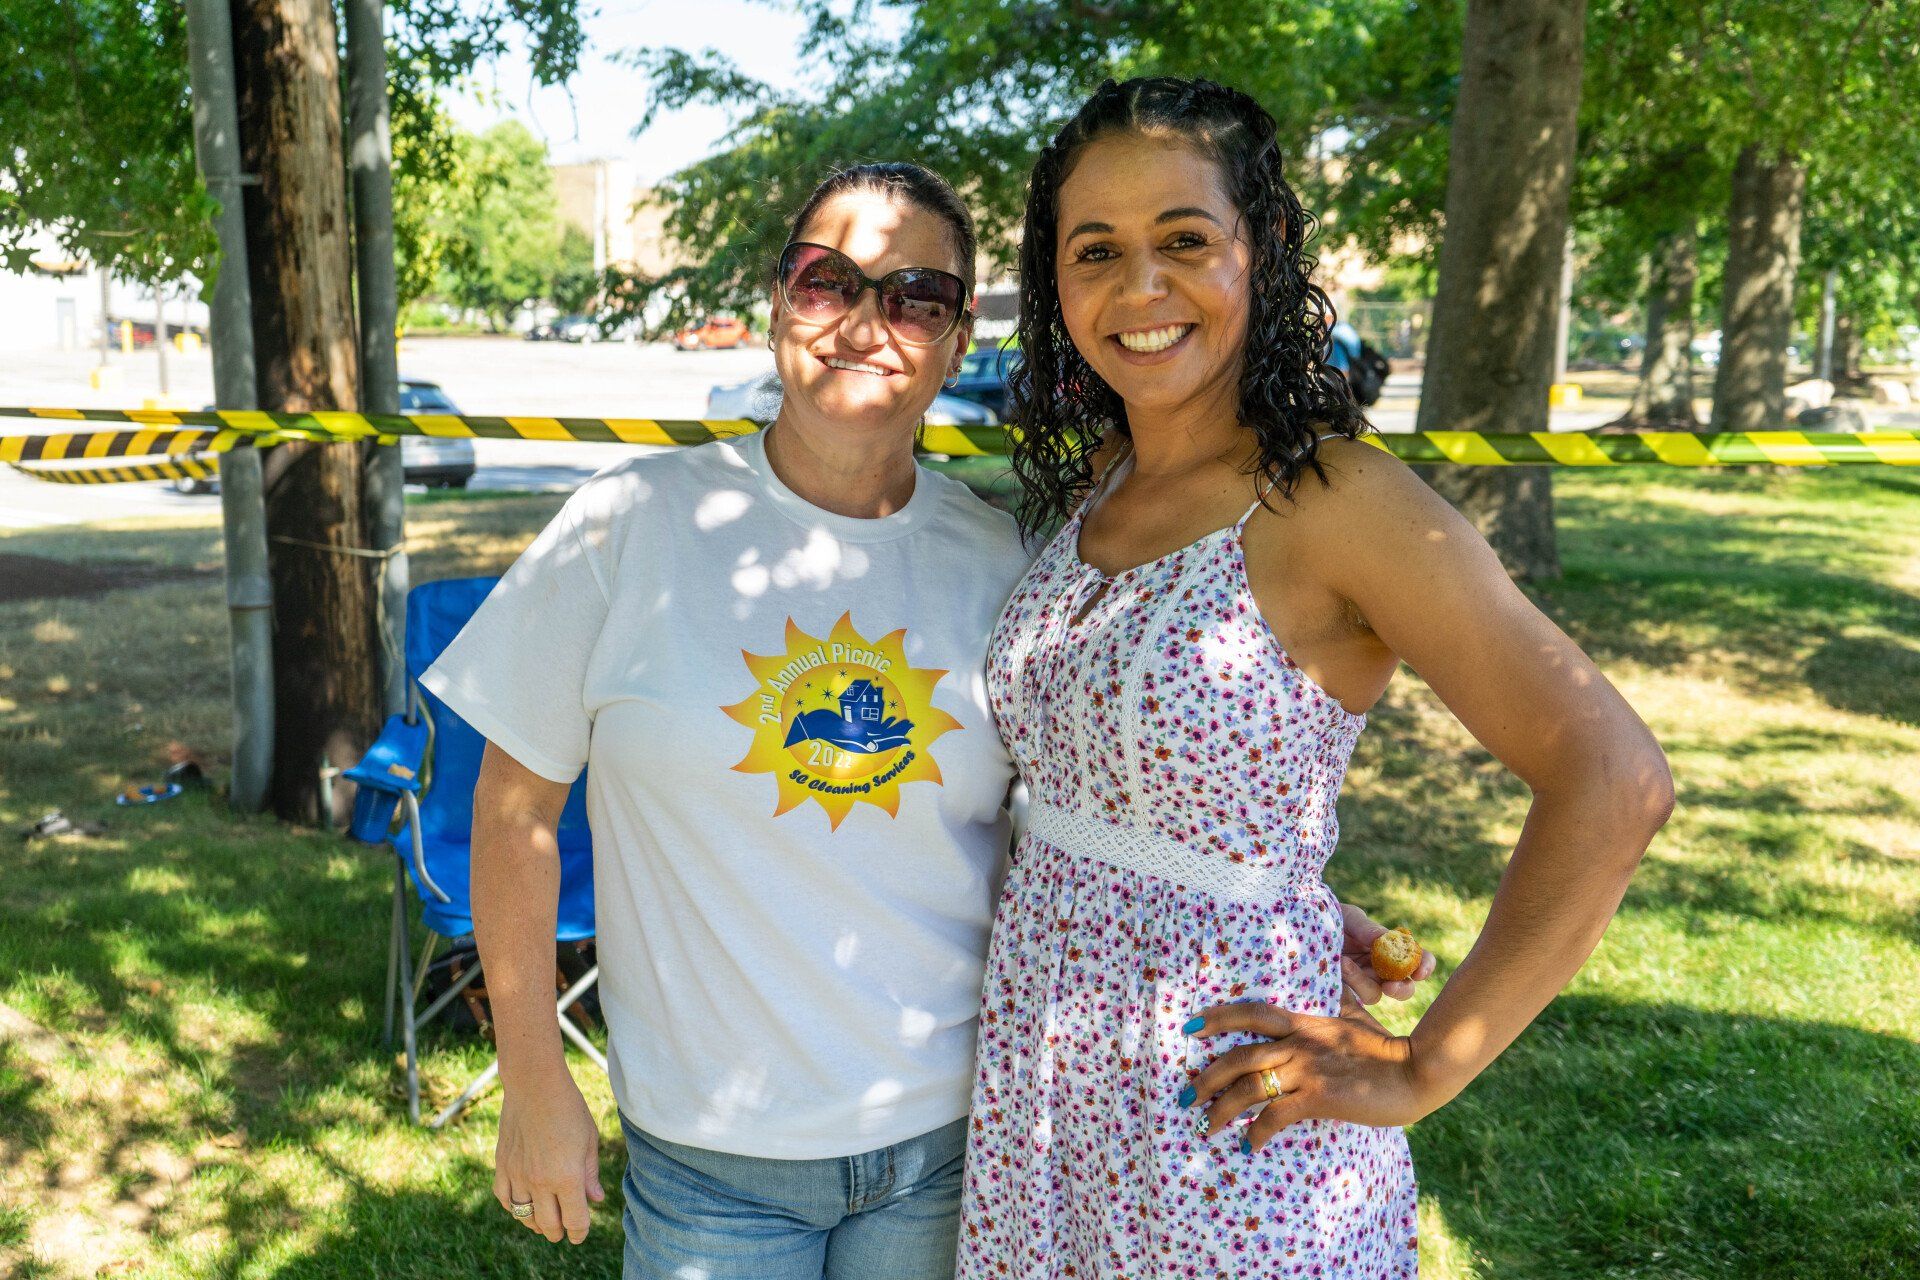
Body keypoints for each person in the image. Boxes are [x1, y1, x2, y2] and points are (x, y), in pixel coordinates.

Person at [421, 160, 1429, 1278]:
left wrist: (1273, 902)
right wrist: (531, 1073)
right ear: (776, 304)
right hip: (710, 1152)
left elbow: (1083, 790)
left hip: (956, 1135)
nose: (866, 321)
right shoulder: (628, 526)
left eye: (918, 297)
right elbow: (512, 808)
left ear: (958, 342)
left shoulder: (1007, 562)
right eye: (827, 281)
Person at [959, 77, 1674, 1278]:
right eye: (1096, 252)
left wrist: (1423, 1064)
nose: (1140, 288)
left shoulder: (1333, 498)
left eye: (1185, 240)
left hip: (1224, 1109)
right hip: (1050, 1085)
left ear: (1268, 246)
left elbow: (1614, 777)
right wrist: (1257, 877)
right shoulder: (1100, 481)